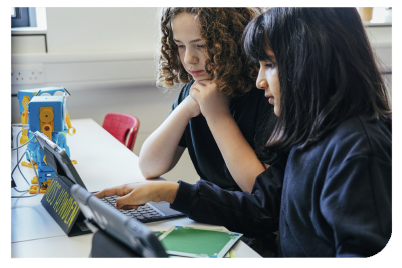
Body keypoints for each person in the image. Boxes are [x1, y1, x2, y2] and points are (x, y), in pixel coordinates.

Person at [95, 8, 392, 257]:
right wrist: (168, 191)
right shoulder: (309, 133)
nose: (260, 80)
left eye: (270, 64)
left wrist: (217, 116)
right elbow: (264, 207)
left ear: (312, 62)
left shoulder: (357, 150)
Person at [139, 8, 277, 193]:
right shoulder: (194, 92)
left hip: (247, 218)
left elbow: (260, 191)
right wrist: (187, 107)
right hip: (211, 212)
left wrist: (217, 115)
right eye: (180, 45)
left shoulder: (267, 95)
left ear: (232, 41)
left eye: (201, 45)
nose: (189, 59)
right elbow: (148, 167)